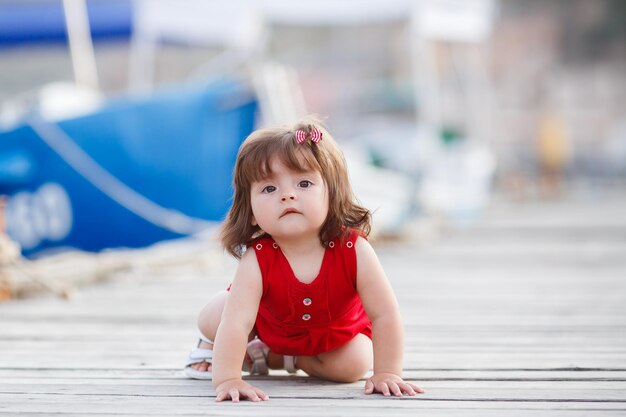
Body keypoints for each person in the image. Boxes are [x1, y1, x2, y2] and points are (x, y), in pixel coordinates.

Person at [184, 117, 424, 402]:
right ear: (249, 208)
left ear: (332, 192)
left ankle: (274, 359)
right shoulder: (257, 257)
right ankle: (214, 348)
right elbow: (237, 322)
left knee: (356, 362)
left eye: (304, 183)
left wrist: (388, 372)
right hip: (267, 325)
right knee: (219, 314)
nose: (287, 195)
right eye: (269, 189)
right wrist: (228, 379)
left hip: (331, 338)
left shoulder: (354, 249)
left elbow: (385, 314)